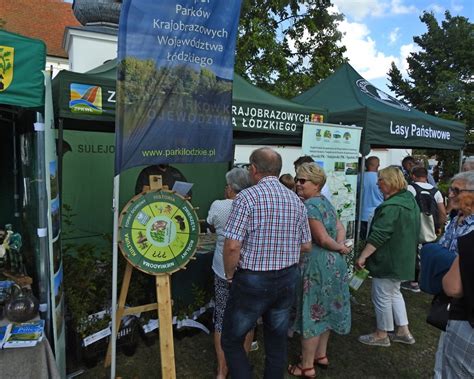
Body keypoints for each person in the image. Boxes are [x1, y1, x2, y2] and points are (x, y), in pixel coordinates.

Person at [221, 147, 312, 379]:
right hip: (287, 276)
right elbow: (306, 245)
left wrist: (230, 275)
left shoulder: (246, 198)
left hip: (253, 278)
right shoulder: (296, 200)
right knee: (276, 339)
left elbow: (232, 246)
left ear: (253, 169)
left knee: (231, 339)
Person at [288, 163, 351, 378]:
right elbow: (340, 227)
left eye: (302, 180)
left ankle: (306, 366)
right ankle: (321, 355)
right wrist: (340, 246)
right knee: (326, 309)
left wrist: (337, 245)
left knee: (312, 312)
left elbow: (322, 239)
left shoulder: (310, 206)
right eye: (297, 179)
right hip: (335, 264)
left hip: (318, 264)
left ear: (316, 184)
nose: (297, 184)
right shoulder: (325, 202)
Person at [356, 166, 419, 347]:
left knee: (382, 295)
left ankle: (381, 334)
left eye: (381, 180)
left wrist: (363, 256)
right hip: (403, 257)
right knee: (394, 293)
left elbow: (379, 235)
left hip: (389, 259)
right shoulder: (409, 200)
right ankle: (403, 331)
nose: (377, 183)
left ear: (390, 182)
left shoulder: (392, 206)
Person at [206, 168, 253, 379]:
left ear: (230, 188)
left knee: (222, 318)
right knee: (248, 318)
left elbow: (211, 227)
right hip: (249, 269)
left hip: (223, 268)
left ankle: (221, 370)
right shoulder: (254, 204)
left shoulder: (219, 205)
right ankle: (239, 366)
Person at [433, 171, 474, 378]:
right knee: (444, 356)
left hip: (465, 312)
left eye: (456, 190)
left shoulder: (472, 229)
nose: (449, 194)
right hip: (450, 307)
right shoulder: (456, 219)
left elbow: (455, 286)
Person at [402, 166, 447, 293]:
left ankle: (413, 281)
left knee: (413, 253)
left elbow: (406, 207)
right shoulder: (436, 191)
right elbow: (442, 212)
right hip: (431, 227)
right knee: (428, 254)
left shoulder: (411, 188)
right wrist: (439, 226)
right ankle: (426, 280)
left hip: (414, 225)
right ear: (426, 176)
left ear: (413, 176)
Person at [359, 156, 384, 239]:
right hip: (377, 214)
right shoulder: (381, 179)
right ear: (378, 166)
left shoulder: (359, 177)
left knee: (361, 241)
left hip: (361, 214)